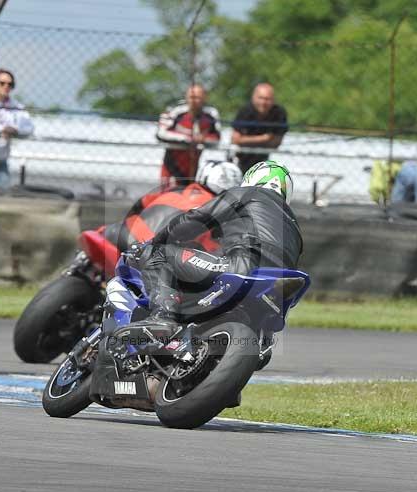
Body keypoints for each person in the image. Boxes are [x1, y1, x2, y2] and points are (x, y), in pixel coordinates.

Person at [126, 160, 302, 331]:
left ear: (253, 178)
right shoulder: (294, 226)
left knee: (159, 253)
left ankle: (162, 316)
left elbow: (196, 219)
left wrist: (158, 239)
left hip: (243, 267)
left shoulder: (248, 193)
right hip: (276, 286)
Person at [113, 160, 243, 252]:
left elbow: (140, 204)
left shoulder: (175, 189)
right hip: (147, 252)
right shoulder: (217, 209)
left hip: (117, 233)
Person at [156, 84, 221, 190]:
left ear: (205, 98)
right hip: (172, 165)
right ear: (186, 97)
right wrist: (188, 138)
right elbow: (161, 133)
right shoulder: (175, 110)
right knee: (169, 194)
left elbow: (216, 138)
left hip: (194, 166)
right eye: (191, 97)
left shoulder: (211, 113)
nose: (194, 101)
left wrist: (203, 139)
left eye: (198, 97)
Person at [231, 83, 289, 174]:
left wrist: (246, 140)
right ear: (253, 98)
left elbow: (276, 143)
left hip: (264, 162)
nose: (263, 102)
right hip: (238, 159)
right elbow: (235, 139)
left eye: (267, 99)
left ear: (273, 100)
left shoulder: (279, 113)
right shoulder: (244, 111)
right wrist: (264, 138)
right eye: (260, 98)